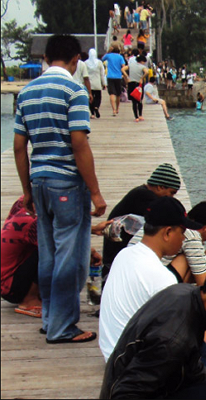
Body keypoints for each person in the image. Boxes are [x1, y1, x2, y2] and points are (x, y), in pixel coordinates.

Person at [14, 34, 107, 344]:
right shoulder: (74, 91)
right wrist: (95, 191)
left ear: (45, 59)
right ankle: (63, 327)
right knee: (70, 256)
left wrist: (26, 190)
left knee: (49, 255)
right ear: (75, 60)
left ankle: (49, 319)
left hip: (39, 182)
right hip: (67, 182)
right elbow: (79, 142)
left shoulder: (26, 93)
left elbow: (18, 147)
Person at [99, 255, 206, 399]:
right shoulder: (172, 340)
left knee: (202, 350)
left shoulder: (186, 292)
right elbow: (125, 393)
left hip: (149, 377)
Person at [99, 196, 202, 361]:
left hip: (110, 352)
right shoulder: (162, 278)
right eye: (182, 233)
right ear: (168, 233)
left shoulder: (124, 254)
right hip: (130, 363)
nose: (183, 239)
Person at [2, 197, 108, 319]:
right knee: (50, 250)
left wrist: (93, 230)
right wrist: (89, 251)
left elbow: (55, 228)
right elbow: (61, 242)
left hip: (8, 276)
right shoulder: (32, 223)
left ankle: (36, 293)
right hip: (10, 287)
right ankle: (28, 301)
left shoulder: (23, 204)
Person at [101, 163, 181, 281]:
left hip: (114, 258)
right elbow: (168, 216)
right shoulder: (144, 197)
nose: (171, 197)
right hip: (116, 262)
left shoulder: (140, 192)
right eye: (171, 192)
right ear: (160, 187)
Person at [122, 53, 149, 122]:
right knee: (139, 100)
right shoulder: (142, 67)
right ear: (142, 61)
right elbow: (147, 72)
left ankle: (136, 117)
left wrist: (127, 76)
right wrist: (142, 78)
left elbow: (123, 69)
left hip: (131, 83)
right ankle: (140, 115)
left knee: (134, 102)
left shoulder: (131, 65)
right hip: (139, 84)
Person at [102, 46, 126, 116]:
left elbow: (102, 59)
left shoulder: (108, 56)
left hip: (110, 76)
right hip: (118, 77)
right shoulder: (120, 57)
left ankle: (114, 110)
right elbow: (123, 66)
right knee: (118, 94)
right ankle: (117, 108)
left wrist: (108, 51)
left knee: (112, 93)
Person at [86, 48, 107, 119]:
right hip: (97, 83)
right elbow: (102, 74)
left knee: (90, 98)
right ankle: (96, 107)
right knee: (98, 97)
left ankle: (92, 113)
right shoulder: (99, 63)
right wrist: (104, 83)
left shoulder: (86, 63)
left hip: (89, 84)